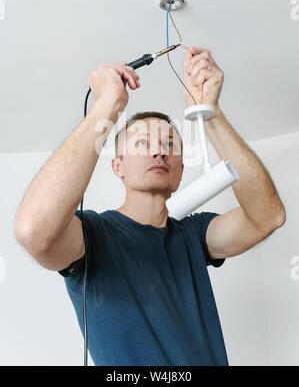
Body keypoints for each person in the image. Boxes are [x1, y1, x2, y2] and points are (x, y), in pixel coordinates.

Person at [14, 47, 286, 366]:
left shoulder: (194, 236)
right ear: (118, 167)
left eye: (170, 144)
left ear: (181, 170)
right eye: (142, 143)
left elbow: (269, 217)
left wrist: (209, 112)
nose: (159, 152)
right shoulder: (93, 236)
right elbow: (34, 230)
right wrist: (107, 105)